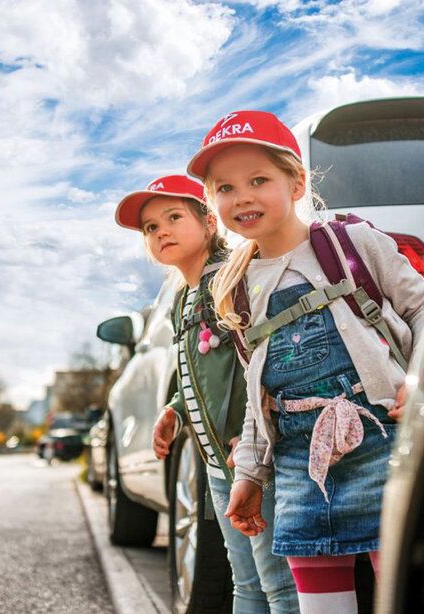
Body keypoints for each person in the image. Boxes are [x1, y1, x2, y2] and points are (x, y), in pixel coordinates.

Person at [188, 110, 424, 613]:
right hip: (300, 465)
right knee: (321, 605)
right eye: (225, 188)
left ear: (296, 183)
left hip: (383, 439)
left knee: (402, 593)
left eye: (259, 180)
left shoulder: (351, 243)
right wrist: (250, 475)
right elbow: (261, 398)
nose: (244, 196)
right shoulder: (235, 285)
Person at [114, 174, 299, 614]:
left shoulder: (231, 280)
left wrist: (250, 438)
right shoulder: (184, 296)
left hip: (252, 459)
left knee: (277, 583)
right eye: (151, 228)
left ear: (209, 222)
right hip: (218, 464)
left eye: (174, 217)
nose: (161, 232)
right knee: (246, 582)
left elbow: (256, 363)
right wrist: (176, 411)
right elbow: (200, 370)